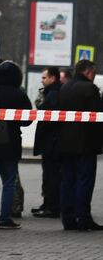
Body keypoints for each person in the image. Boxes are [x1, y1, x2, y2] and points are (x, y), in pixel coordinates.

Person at [0, 61, 32, 230]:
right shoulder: (19, 94)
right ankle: (5, 219)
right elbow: (27, 119)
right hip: (11, 143)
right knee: (9, 183)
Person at [57, 60, 103, 230]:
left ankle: (67, 219)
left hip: (65, 143)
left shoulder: (65, 87)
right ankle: (83, 218)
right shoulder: (90, 89)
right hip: (86, 143)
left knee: (67, 181)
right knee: (84, 180)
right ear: (89, 72)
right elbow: (96, 117)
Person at [31, 67, 62, 218]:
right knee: (49, 175)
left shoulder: (54, 94)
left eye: (44, 78)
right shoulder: (51, 92)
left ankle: (51, 206)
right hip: (51, 141)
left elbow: (49, 116)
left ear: (53, 78)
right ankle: (47, 204)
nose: (42, 80)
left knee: (51, 176)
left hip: (51, 142)